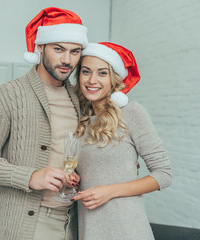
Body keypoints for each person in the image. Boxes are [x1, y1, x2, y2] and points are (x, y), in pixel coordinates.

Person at [0, 7, 88, 240]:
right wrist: (30, 177)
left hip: (72, 221)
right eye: (58, 49)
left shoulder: (79, 98)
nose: (67, 60)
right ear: (40, 47)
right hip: (27, 222)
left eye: (75, 52)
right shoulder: (9, 94)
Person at [71, 42, 172, 240]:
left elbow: (164, 175)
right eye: (86, 72)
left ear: (113, 79)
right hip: (88, 228)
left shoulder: (132, 113)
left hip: (126, 228)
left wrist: (109, 191)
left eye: (102, 73)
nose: (92, 80)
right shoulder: (79, 119)